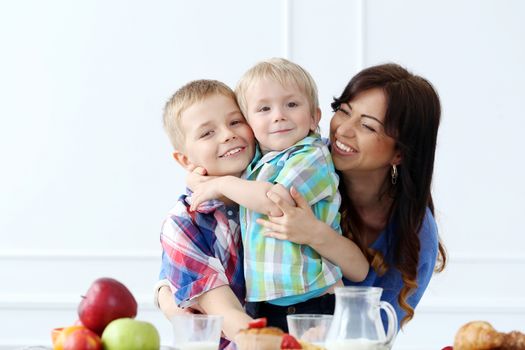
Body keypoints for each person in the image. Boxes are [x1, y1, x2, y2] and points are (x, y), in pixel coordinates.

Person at [257, 63, 447, 328]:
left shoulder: (414, 233)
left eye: (368, 126)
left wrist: (315, 234)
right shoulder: (301, 166)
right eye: (343, 111)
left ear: (399, 153)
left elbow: (377, 332)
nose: (343, 130)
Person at [189, 58, 369, 331]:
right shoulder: (260, 162)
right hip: (269, 304)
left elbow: (276, 202)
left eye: (292, 105)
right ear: (249, 124)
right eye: (264, 108)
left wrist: (220, 184)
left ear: (314, 118)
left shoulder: (311, 156)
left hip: (314, 301)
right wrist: (200, 178)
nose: (278, 115)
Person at [156, 79, 258, 347]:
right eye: (207, 133)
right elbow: (226, 315)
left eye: (236, 122)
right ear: (185, 160)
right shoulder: (182, 224)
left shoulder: (274, 185)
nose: (227, 134)